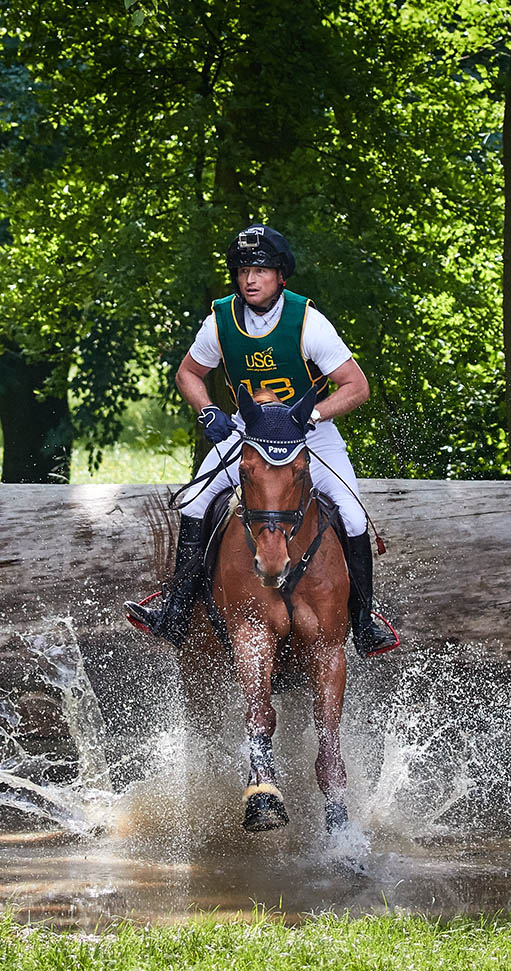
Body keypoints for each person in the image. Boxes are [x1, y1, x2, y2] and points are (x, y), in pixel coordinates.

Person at [125, 223, 398, 657]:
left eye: (261, 270)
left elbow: (356, 386)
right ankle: (176, 612)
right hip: (246, 432)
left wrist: (315, 412)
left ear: (280, 275)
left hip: (309, 433)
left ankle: (364, 622)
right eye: (242, 270)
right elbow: (188, 374)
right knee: (195, 500)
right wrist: (209, 411)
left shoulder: (308, 322)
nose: (250, 279)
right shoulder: (220, 321)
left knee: (351, 512)